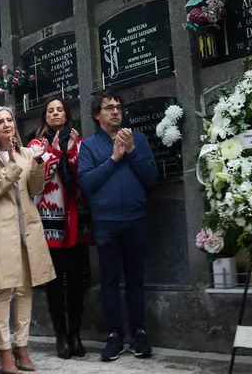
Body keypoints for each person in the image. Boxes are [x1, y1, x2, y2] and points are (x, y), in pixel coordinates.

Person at [0, 106, 55, 374]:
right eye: (0, 122)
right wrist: (12, 162)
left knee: (25, 290)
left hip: (27, 228)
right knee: (4, 291)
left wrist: (38, 162)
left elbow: (35, 188)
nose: (7, 125)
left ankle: (22, 346)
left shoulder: (24, 153)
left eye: (9, 120)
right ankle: (4, 349)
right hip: (0, 229)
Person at [77, 90, 158, 362]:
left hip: (135, 220)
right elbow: (87, 183)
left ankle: (139, 333)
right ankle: (114, 335)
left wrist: (132, 152)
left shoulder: (139, 140)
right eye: (108, 107)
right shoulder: (88, 146)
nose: (115, 111)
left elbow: (151, 178)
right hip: (106, 223)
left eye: (118, 107)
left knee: (136, 280)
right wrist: (113, 159)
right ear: (96, 115)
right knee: (109, 281)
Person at [27, 98, 93, 359]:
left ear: (67, 115)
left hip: (76, 223)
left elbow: (83, 175)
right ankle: (60, 336)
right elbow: (37, 180)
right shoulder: (34, 144)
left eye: (60, 110)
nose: (56, 113)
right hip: (51, 225)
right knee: (54, 284)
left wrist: (70, 152)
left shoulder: (81, 142)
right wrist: (54, 153)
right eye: (51, 111)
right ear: (45, 116)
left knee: (77, 282)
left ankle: (75, 333)